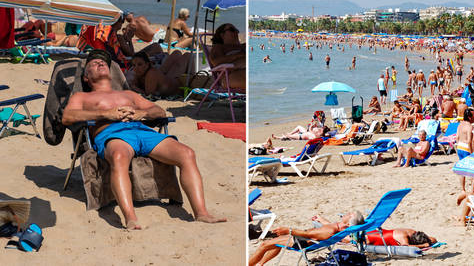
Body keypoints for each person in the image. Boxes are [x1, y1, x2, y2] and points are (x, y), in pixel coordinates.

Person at [62, 50, 225, 229]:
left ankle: (201, 213)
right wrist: (105, 113)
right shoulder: (82, 97)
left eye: (103, 63)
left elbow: (159, 112)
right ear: (86, 77)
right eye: (93, 64)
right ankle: (131, 218)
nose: (100, 64)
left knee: (187, 153)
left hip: (142, 130)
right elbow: (67, 116)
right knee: (118, 156)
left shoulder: (129, 95)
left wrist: (142, 113)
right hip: (112, 133)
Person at [248, 211, 365, 266]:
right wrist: (321, 219)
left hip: (301, 242)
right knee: (274, 243)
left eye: (349, 214)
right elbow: (327, 229)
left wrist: (288, 230)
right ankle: (261, 264)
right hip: (304, 239)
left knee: (264, 245)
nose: (347, 213)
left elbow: (311, 235)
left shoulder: (330, 231)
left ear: (349, 222)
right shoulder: (339, 228)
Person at [210, 23, 245, 90]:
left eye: (236, 30)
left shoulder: (244, 46)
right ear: (222, 35)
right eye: (232, 30)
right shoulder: (219, 47)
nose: (236, 32)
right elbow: (215, 62)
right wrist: (238, 55)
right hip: (229, 77)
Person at [456, 108, 474, 193]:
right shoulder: (469, 126)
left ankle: (463, 189)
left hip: (459, 147)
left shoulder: (460, 125)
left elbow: (457, 138)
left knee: (462, 170)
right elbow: (469, 141)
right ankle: (472, 190)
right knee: (472, 170)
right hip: (466, 148)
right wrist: (472, 153)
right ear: (470, 117)